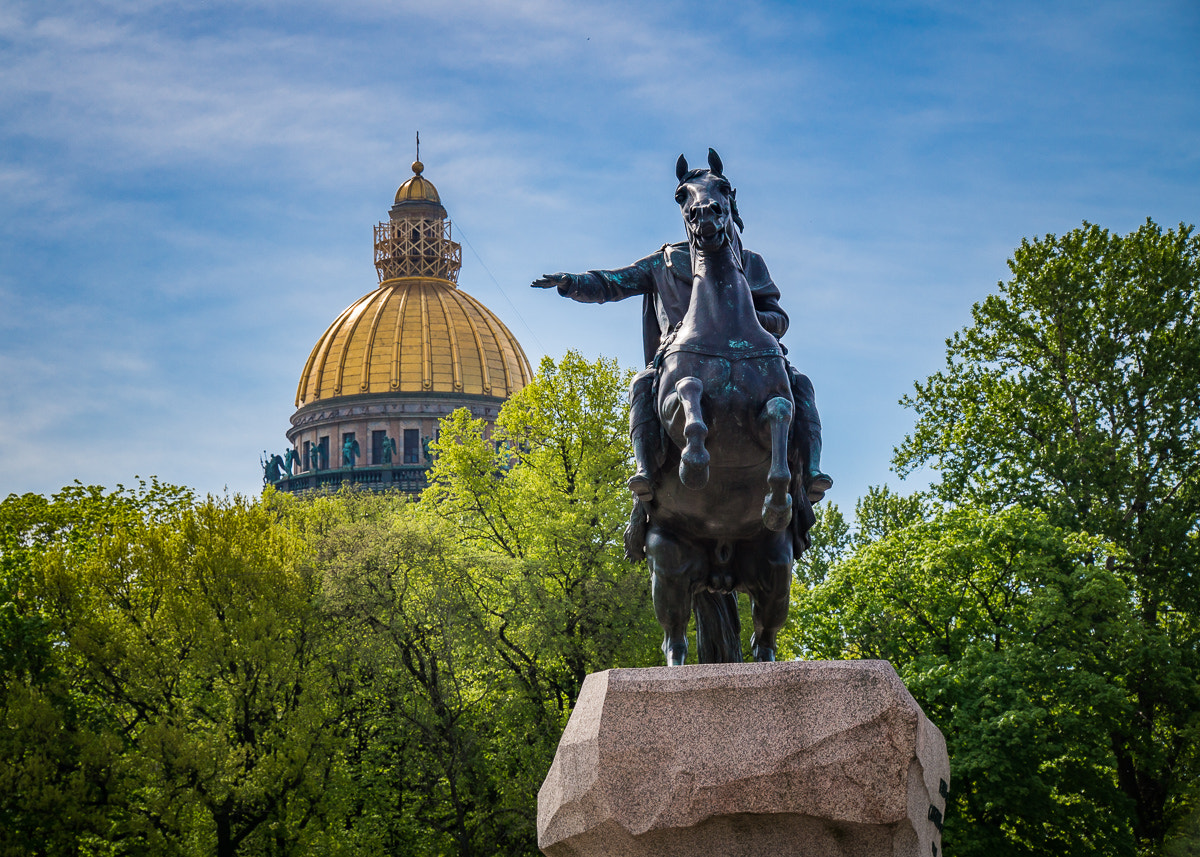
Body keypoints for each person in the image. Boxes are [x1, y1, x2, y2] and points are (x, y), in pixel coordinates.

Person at [532, 216, 831, 504]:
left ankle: (810, 471)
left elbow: (779, 319)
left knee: (801, 385)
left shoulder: (750, 263)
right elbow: (614, 283)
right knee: (641, 385)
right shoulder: (664, 262)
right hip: (679, 356)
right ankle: (646, 470)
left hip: (750, 355)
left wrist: (743, 317)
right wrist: (573, 283)